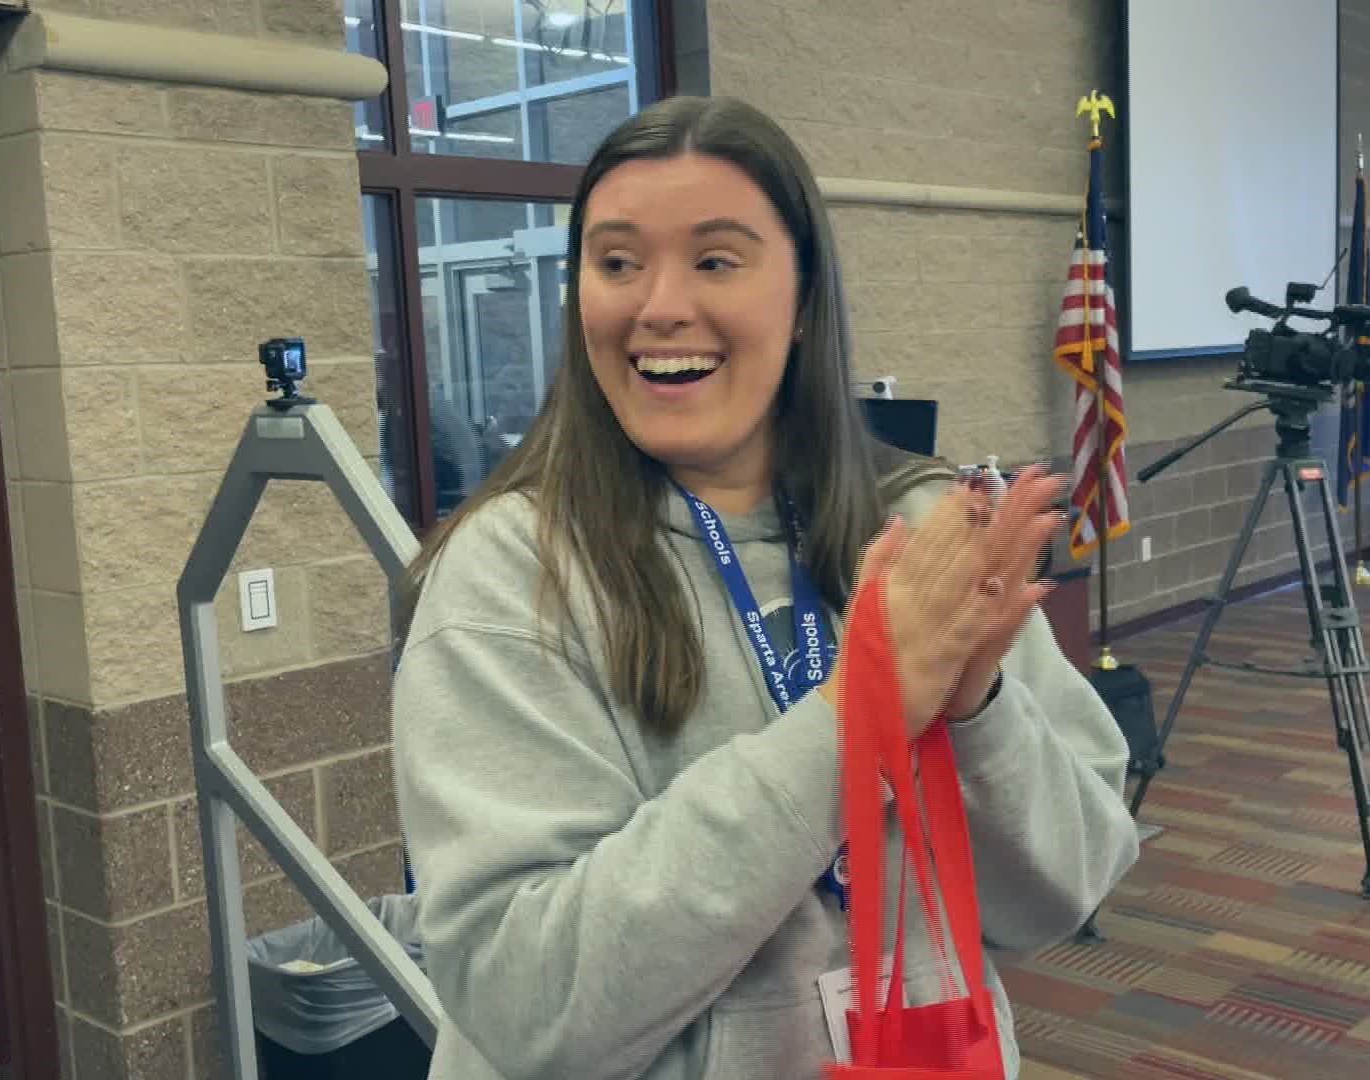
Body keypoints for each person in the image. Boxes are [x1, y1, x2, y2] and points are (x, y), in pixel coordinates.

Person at [389, 95, 1141, 1080]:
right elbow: (531, 1005)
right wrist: (857, 719)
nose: (658, 305)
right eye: (617, 263)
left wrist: (974, 708)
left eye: (714, 260)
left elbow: (1063, 892)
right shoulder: (506, 577)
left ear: (802, 300)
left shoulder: (920, 529)